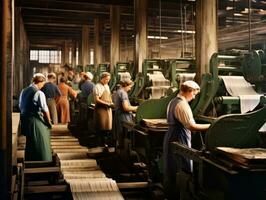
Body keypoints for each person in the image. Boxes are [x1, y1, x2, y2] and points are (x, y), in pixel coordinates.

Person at [163, 80, 210, 200]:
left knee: (172, 167)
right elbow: (191, 126)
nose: (194, 97)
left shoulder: (173, 101)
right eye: (194, 94)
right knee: (182, 167)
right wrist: (212, 126)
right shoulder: (182, 105)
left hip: (172, 135)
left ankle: (172, 194)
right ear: (189, 91)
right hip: (179, 137)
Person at [19, 73, 52, 161]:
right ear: (40, 82)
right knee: (42, 138)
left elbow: (20, 105)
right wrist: (48, 123)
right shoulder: (39, 93)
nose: (43, 86)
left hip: (24, 119)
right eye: (43, 84)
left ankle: (30, 159)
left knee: (30, 142)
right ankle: (43, 160)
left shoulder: (24, 91)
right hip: (34, 120)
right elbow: (45, 110)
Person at [113, 79, 138, 148]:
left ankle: (121, 151)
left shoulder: (117, 92)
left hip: (119, 115)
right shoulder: (123, 93)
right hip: (123, 116)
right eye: (130, 87)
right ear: (126, 85)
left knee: (120, 136)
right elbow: (126, 108)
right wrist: (137, 108)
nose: (130, 89)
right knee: (124, 135)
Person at [93, 72, 114, 147]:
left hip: (108, 109)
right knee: (101, 126)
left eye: (108, 79)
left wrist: (111, 102)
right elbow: (96, 100)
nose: (107, 81)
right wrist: (106, 104)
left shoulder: (107, 86)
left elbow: (108, 95)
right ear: (102, 78)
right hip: (101, 109)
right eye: (106, 79)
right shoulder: (97, 87)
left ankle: (105, 143)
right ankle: (99, 144)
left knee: (107, 127)